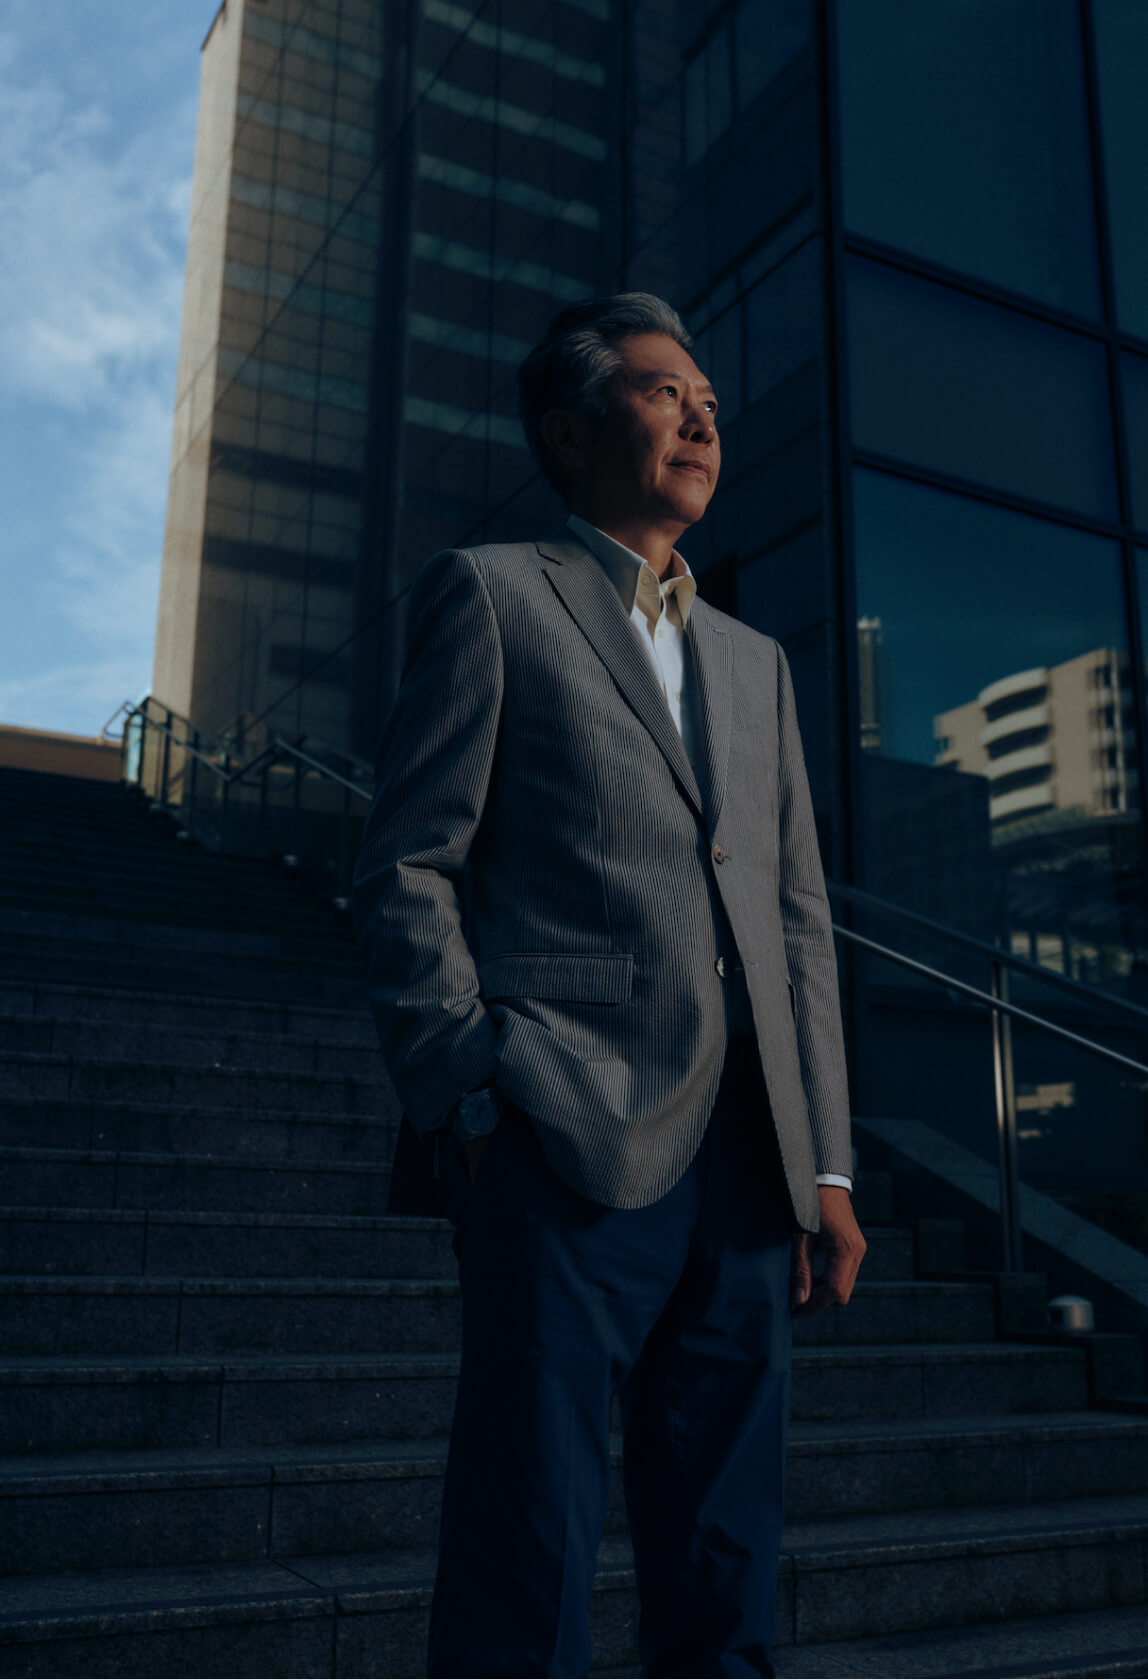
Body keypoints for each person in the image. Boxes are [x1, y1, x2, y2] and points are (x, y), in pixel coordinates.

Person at [351, 292, 866, 1678]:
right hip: (560, 1134)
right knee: (529, 1543)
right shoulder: (494, 593)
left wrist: (830, 1171)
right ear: (570, 432)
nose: (700, 411)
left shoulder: (757, 666)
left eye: (705, 392)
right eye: (659, 391)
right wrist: (467, 1088)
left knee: (726, 1556)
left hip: (753, 1166)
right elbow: (408, 866)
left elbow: (800, 925)